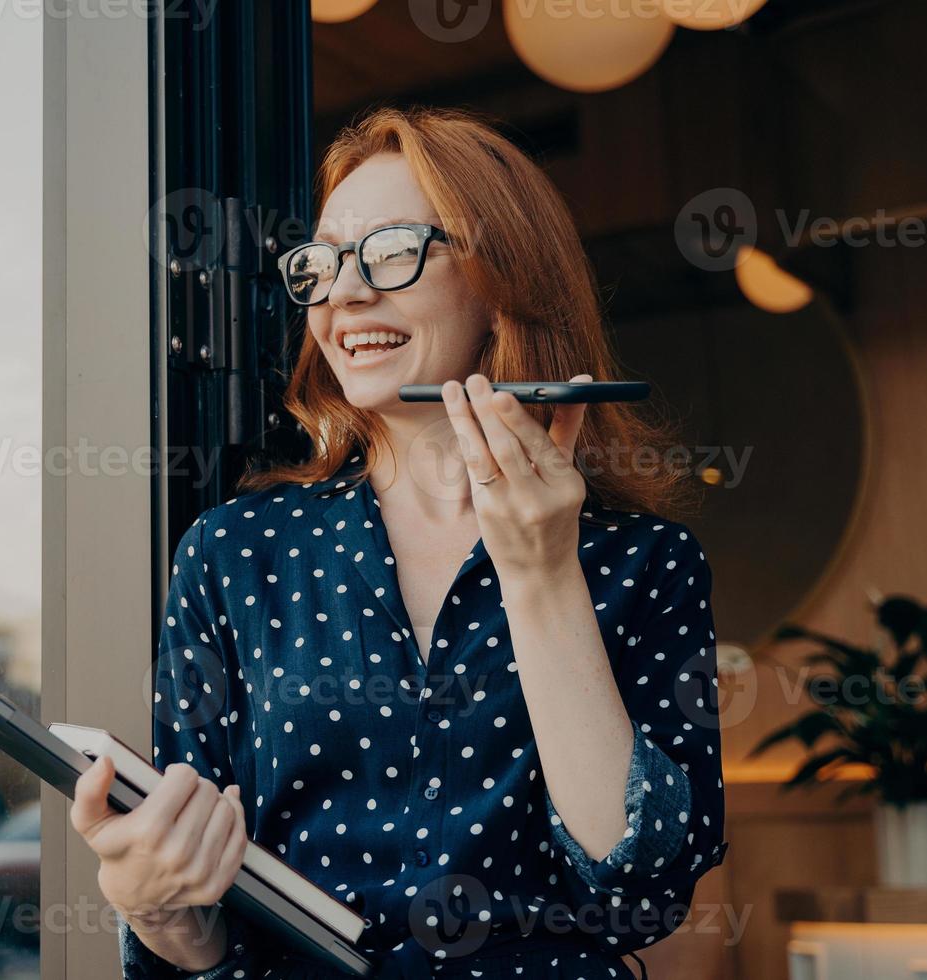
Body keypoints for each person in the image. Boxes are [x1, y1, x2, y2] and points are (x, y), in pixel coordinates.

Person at [71, 105, 729, 980]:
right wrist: (162, 915)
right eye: (323, 263)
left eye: (391, 252)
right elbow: (208, 921)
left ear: (504, 280)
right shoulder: (234, 553)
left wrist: (541, 578)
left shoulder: (644, 562)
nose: (344, 293)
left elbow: (636, 888)